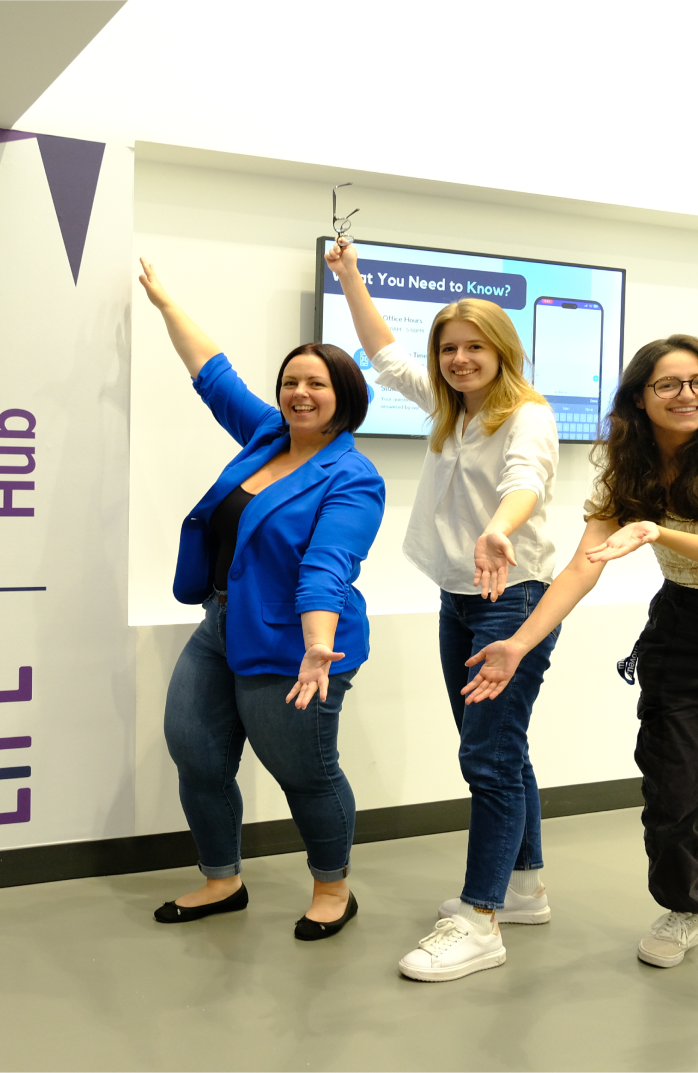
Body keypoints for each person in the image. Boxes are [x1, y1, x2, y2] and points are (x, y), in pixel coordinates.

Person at [463, 335, 698, 1051]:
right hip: (684, 626)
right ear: (641, 397)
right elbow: (583, 564)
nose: (687, 394)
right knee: (671, 789)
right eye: (668, 384)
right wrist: (521, 641)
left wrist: (655, 528)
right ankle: (681, 908)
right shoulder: (627, 463)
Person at [325, 238, 561, 982]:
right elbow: (385, 351)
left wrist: (502, 525)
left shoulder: (527, 415)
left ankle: (480, 916)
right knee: (499, 745)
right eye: (450, 348)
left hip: (513, 593)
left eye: (473, 347)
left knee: (486, 755)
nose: (460, 358)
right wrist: (351, 278)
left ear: (501, 350)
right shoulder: (451, 408)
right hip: (459, 594)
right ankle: (524, 885)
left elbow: (526, 479)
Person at [137, 257, 385, 940]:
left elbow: (325, 569)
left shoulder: (353, 478)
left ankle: (333, 888)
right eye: (291, 381)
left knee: (304, 772)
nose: (300, 392)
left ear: (346, 394)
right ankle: (223, 878)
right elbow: (213, 374)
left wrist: (315, 646)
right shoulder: (265, 435)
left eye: (317, 382)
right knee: (194, 747)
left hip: (294, 640)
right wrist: (164, 302)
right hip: (222, 621)